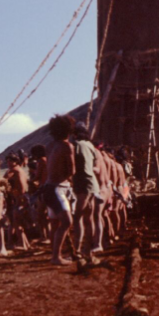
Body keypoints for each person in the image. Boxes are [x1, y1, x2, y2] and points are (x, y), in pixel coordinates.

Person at [44, 114, 76, 266]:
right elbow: (72, 170)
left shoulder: (50, 146)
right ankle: (56, 257)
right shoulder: (67, 146)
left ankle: (55, 254)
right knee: (67, 222)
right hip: (58, 189)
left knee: (55, 223)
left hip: (49, 188)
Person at [71, 125, 100, 263]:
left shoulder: (76, 145)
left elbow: (73, 166)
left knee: (78, 218)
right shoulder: (90, 145)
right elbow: (95, 166)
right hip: (92, 183)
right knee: (89, 218)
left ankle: (77, 250)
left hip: (83, 183)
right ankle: (87, 250)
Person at [5, 153, 31, 250]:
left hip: (19, 198)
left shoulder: (14, 171)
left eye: (11, 161)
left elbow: (21, 188)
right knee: (16, 221)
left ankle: (23, 244)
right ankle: (25, 243)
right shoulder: (19, 170)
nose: (8, 163)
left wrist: (17, 197)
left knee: (16, 222)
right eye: (7, 161)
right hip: (21, 198)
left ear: (16, 162)